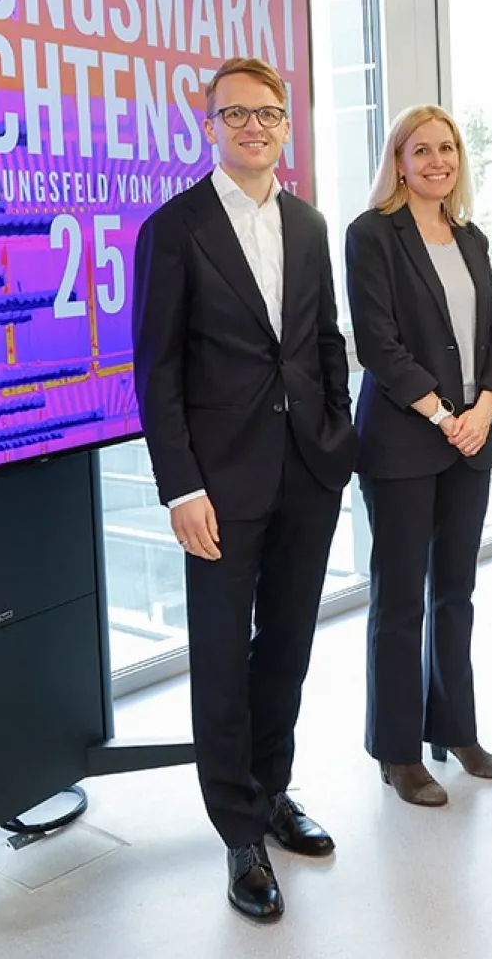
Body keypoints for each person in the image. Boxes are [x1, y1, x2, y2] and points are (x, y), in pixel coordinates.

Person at [132, 56, 356, 922]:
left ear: (286, 125)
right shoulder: (175, 228)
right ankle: (237, 831)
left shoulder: (308, 223)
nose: (252, 128)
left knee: (288, 646)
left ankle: (271, 791)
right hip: (218, 486)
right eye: (235, 116)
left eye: (266, 114)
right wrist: (180, 486)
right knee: (223, 659)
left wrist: (336, 434)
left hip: (307, 469)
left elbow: (323, 340)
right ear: (211, 125)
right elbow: (157, 374)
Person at [345, 104, 492, 808]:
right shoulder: (372, 235)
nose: (437, 160)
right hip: (405, 441)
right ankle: (397, 750)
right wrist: (446, 414)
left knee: (456, 594)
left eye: (448, 148)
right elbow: (379, 344)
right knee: (401, 597)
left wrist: (486, 406)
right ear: (399, 160)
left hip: (470, 440)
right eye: (422, 150)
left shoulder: (469, 237)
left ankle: (456, 729)